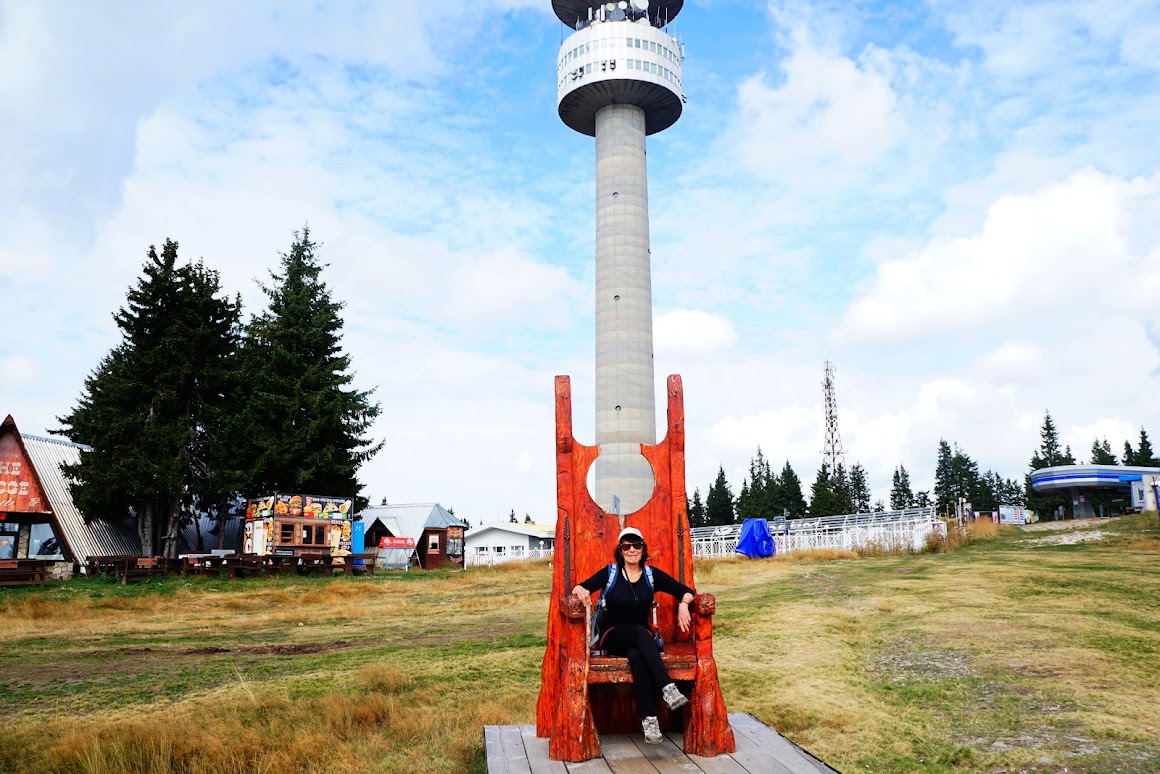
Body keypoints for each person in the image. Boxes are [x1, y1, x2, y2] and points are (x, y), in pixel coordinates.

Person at [571, 526, 696, 744]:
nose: (631, 550)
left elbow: (685, 591)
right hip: (611, 634)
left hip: (640, 639)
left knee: (637, 656)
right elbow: (580, 587)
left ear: (643, 549)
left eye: (636, 545)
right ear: (620, 551)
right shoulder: (610, 573)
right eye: (626, 546)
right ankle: (667, 688)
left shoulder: (651, 575)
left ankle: (650, 721)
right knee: (639, 633)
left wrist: (684, 605)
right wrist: (580, 590)